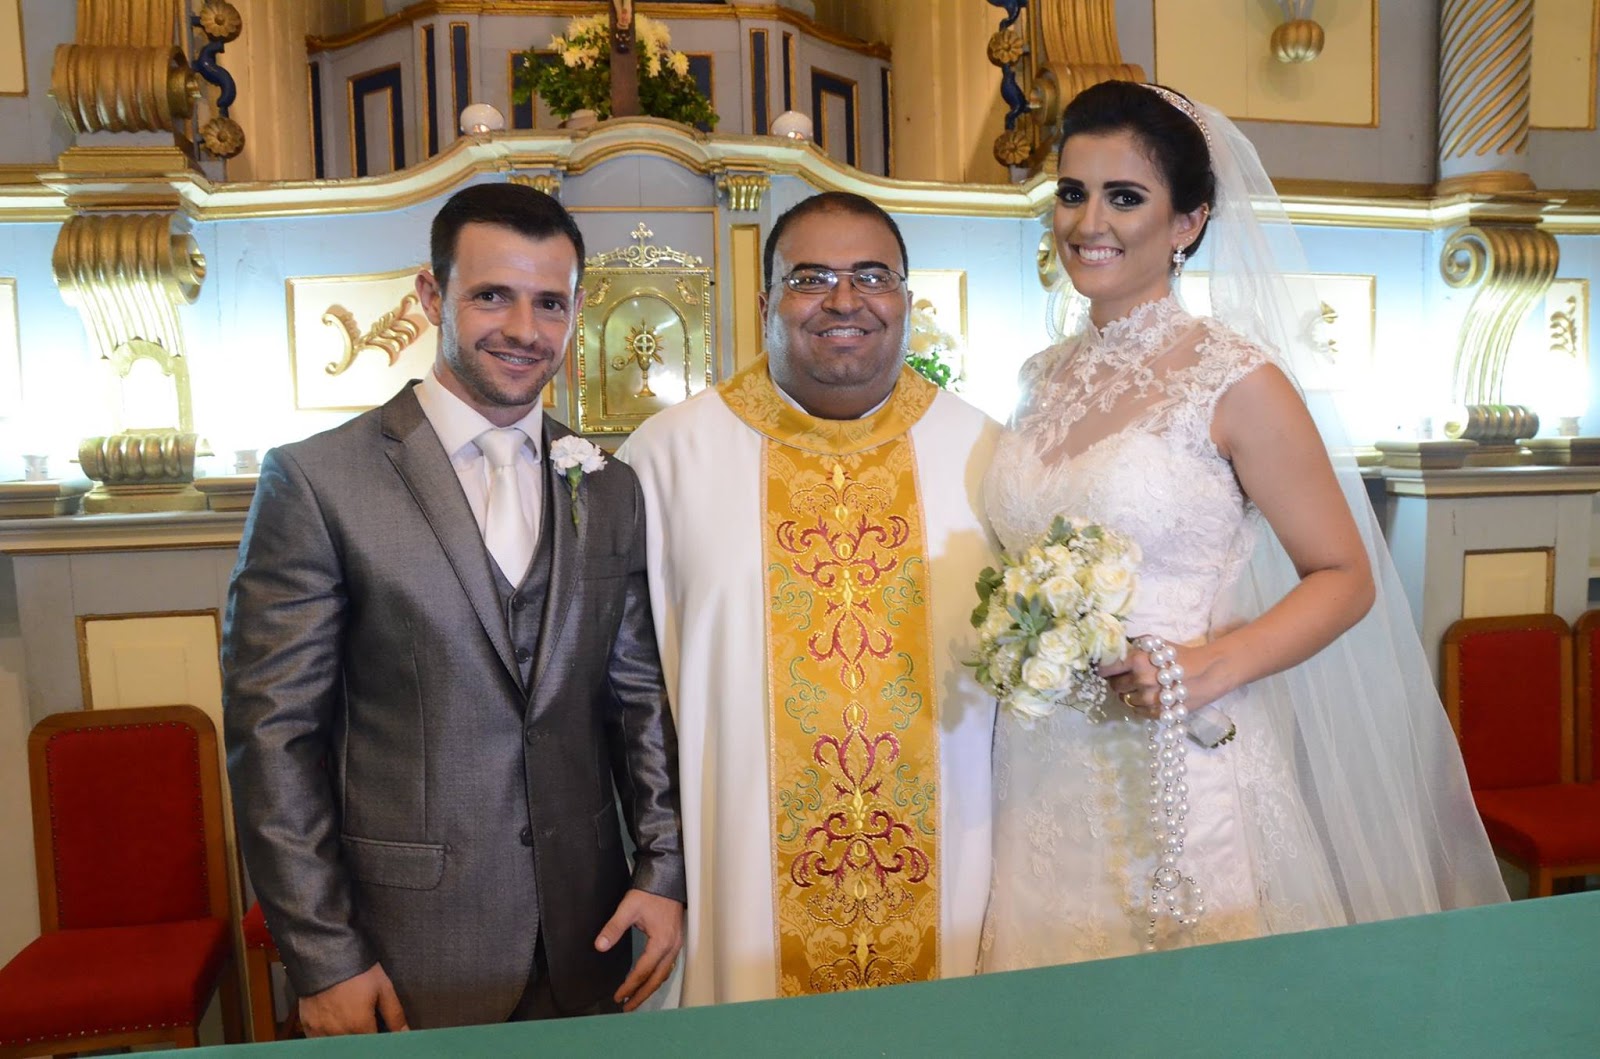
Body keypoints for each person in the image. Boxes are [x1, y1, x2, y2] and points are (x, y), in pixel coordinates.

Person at [979, 81, 1507, 970]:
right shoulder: (1039, 378)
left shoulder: (1234, 380)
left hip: (1175, 755)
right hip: (1036, 763)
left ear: (1188, 222)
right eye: (1072, 192)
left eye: (1124, 197)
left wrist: (1206, 667)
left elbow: (1345, 576)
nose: (1088, 222)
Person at [223, 183, 685, 1033]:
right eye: (492, 296)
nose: (524, 329)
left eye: (549, 303)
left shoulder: (608, 484)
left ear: (576, 310)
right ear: (432, 295)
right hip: (405, 952)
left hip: (588, 938)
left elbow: (637, 701)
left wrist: (662, 868)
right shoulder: (319, 481)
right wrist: (325, 953)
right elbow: (275, 739)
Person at [618, 192, 1000, 1004]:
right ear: (765, 302)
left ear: (906, 298)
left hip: (958, 877)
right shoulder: (667, 458)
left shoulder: (986, 454)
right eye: (812, 278)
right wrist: (658, 866)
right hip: (740, 884)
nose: (844, 299)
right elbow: (630, 691)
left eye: (872, 276)